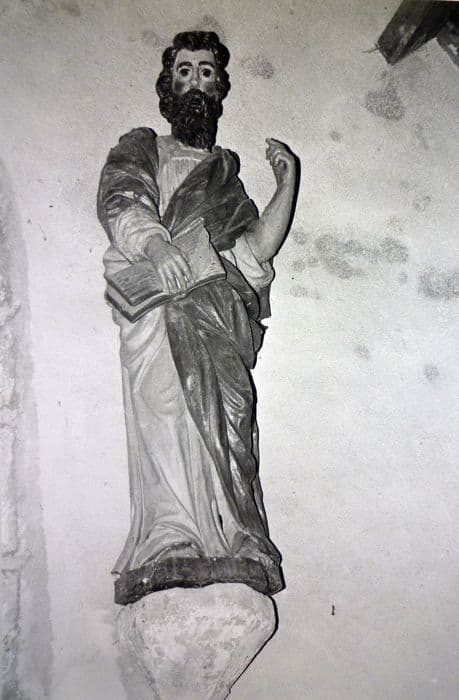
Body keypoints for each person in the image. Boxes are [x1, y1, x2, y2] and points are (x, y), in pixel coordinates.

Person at [97, 31, 297, 605]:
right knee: (167, 407)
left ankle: (238, 536)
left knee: (232, 414)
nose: (195, 82)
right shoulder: (144, 147)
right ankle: (171, 537)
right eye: (184, 71)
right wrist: (158, 247)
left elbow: (252, 254)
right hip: (161, 309)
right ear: (168, 85)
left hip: (217, 313)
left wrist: (288, 185)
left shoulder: (224, 176)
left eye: (206, 72)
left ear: (218, 89)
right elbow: (122, 200)